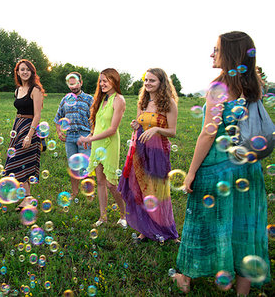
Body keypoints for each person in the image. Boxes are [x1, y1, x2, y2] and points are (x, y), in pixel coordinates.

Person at [173, 31, 270, 294]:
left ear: (230, 54)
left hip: (218, 167)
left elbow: (208, 133)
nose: (211, 54)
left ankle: (185, 277)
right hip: (248, 166)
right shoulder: (254, 86)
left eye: (216, 49)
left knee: (201, 220)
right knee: (244, 224)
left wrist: (191, 172)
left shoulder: (219, 88)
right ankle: (242, 289)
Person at [117, 68, 179, 244]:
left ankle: (166, 230)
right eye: (146, 80)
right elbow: (139, 124)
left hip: (158, 151)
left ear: (162, 83)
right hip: (140, 150)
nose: (148, 84)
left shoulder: (169, 104)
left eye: (152, 81)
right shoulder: (142, 102)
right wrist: (136, 124)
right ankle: (145, 230)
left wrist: (157, 129)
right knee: (140, 187)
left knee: (158, 191)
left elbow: (172, 131)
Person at [78, 68, 127, 227]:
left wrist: (90, 138)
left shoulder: (119, 100)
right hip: (97, 142)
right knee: (100, 181)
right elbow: (98, 123)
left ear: (114, 80)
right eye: (101, 81)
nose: (102, 84)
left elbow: (112, 129)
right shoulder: (100, 99)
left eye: (106, 80)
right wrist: (91, 137)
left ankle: (124, 215)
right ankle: (103, 217)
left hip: (110, 143)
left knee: (111, 183)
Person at [4, 59, 44, 210]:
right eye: (22, 69)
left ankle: (28, 198)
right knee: (19, 163)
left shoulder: (35, 90)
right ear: (18, 72)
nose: (25, 72)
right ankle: (27, 199)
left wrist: (29, 135)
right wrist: (16, 130)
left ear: (32, 72)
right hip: (18, 127)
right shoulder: (18, 90)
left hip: (29, 128)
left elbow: (37, 115)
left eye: (28, 69)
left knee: (20, 161)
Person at [54, 72, 93, 197]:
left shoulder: (89, 99)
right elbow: (58, 117)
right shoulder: (65, 99)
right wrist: (59, 131)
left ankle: (89, 193)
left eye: (76, 83)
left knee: (87, 166)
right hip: (70, 136)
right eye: (71, 84)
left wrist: (91, 136)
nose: (73, 87)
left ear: (81, 83)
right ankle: (75, 192)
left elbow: (95, 119)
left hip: (85, 135)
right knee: (73, 166)